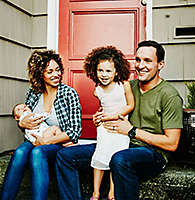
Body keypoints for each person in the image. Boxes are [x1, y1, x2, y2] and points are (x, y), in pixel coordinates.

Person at [56, 40, 183, 200]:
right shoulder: (127, 86)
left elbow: (171, 143)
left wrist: (132, 131)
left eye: (148, 61)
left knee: (120, 159)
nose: (141, 65)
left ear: (160, 64)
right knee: (65, 156)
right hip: (117, 141)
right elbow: (109, 105)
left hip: (151, 153)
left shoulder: (169, 96)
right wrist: (99, 116)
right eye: (138, 60)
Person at [0, 50, 81, 200]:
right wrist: (22, 123)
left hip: (57, 142)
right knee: (20, 152)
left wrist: (45, 141)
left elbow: (74, 132)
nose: (56, 74)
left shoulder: (69, 93)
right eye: (49, 71)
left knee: (38, 152)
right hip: (34, 139)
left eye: (57, 70)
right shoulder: (34, 92)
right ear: (40, 73)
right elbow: (24, 118)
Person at [83, 46, 135, 200]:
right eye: (100, 71)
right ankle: (96, 192)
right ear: (94, 70)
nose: (104, 75)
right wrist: (99, 116)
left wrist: (112, 116)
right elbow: (103, 107)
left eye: (108, 71)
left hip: (120, 126)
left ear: (116, 71)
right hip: (104, 128)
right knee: (100, 155)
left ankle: (112, 192)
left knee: (115, 157)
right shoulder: (97, 90)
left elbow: (130, 105)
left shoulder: (123, 85)